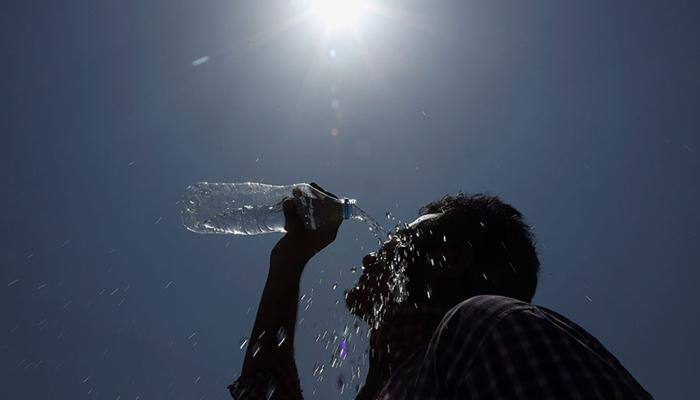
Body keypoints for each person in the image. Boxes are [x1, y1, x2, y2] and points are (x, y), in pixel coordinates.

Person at [229, 183, 653, 399]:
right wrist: (290, 257)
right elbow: (265, 391)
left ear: (447, 260)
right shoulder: (398, 381)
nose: (370, 259)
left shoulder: (485, 330)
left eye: (396, 242)